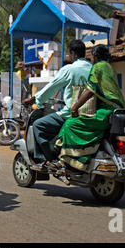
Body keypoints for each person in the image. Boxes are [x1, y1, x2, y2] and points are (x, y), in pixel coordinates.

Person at [23, 40, 92, 171]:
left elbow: (51, 87)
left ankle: (48, 160)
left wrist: (34, 99)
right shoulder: (93, 68)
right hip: (91, 113)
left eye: (68, 53)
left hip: (71, 113)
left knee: (38, 125)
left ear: (72, 53)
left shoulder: (69, 69)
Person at [56, 44, 125, 171]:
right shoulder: (109, 67)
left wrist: (75, 107)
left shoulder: (97, 67)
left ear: (94, 56)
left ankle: (68, 160)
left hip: (106, 112)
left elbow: (90, 90)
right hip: (118, 110)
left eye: (91, 56)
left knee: (70, 124)